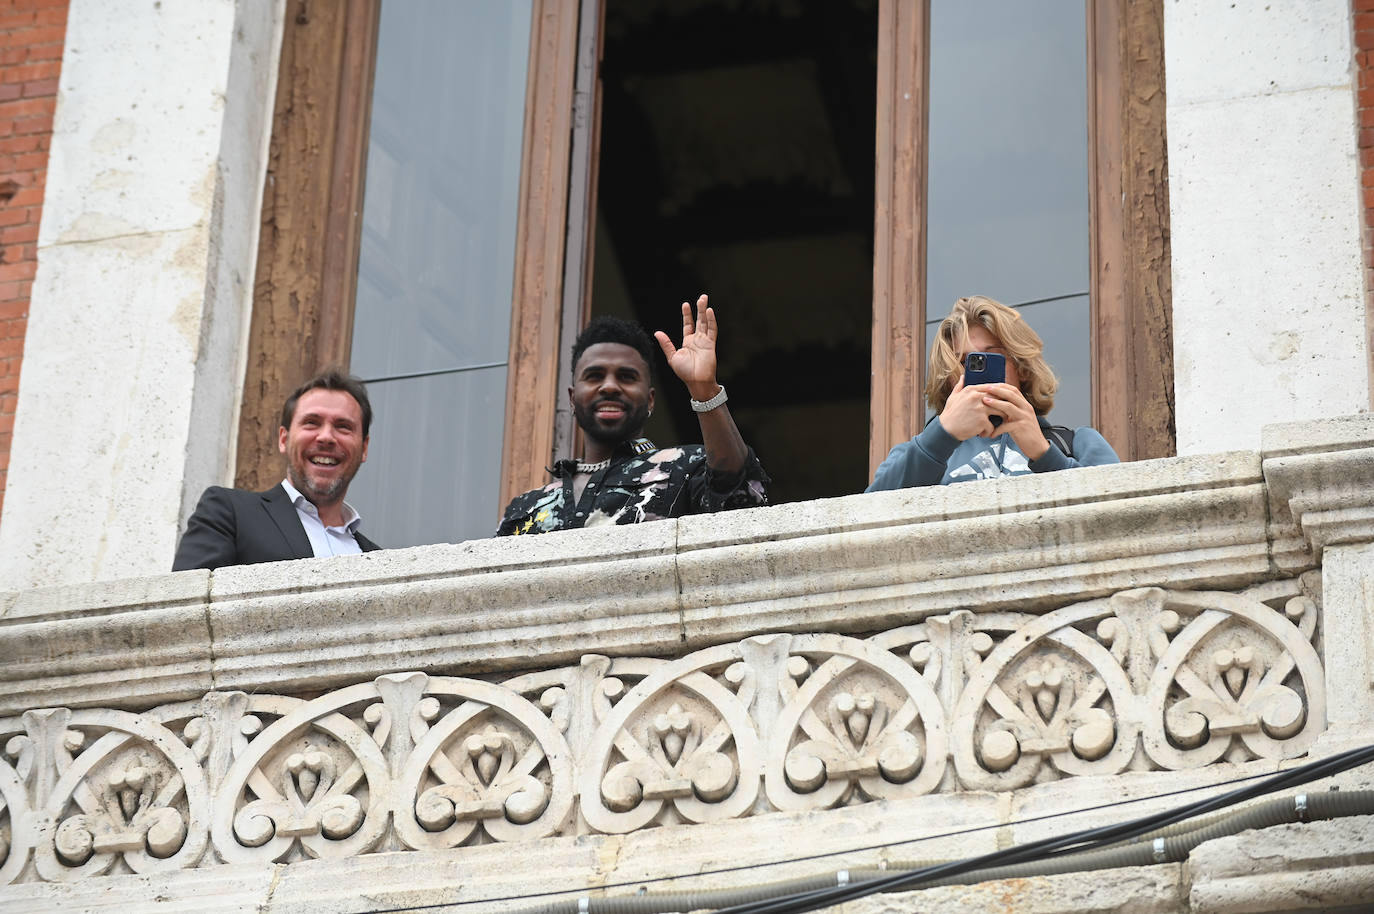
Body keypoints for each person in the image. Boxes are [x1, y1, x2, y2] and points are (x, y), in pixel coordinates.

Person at [497, 295, 768, 535]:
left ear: (650, 399)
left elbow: (741, 496)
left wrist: (704, 390)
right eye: (594, 376)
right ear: (572, 398)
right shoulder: (526, 509)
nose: (610, 386)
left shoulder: (685, 467)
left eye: (626, 377)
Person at [868, 295, 1118, 490]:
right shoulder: (916, 455)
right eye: (965, 361)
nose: (979, 370)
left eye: (993, 356)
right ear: (950, 378)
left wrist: (1044, 454)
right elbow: (867, 521)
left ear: (1021, 367)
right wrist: (941, 437)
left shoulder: (1079, 443)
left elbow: (1118, 520)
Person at [172, 370, 380, 570]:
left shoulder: (378, 560)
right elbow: (187, 601)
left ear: (364, 448)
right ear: (284, 439)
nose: (326, 437)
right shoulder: (229, 513)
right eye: (311, 423)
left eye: (343, 426)